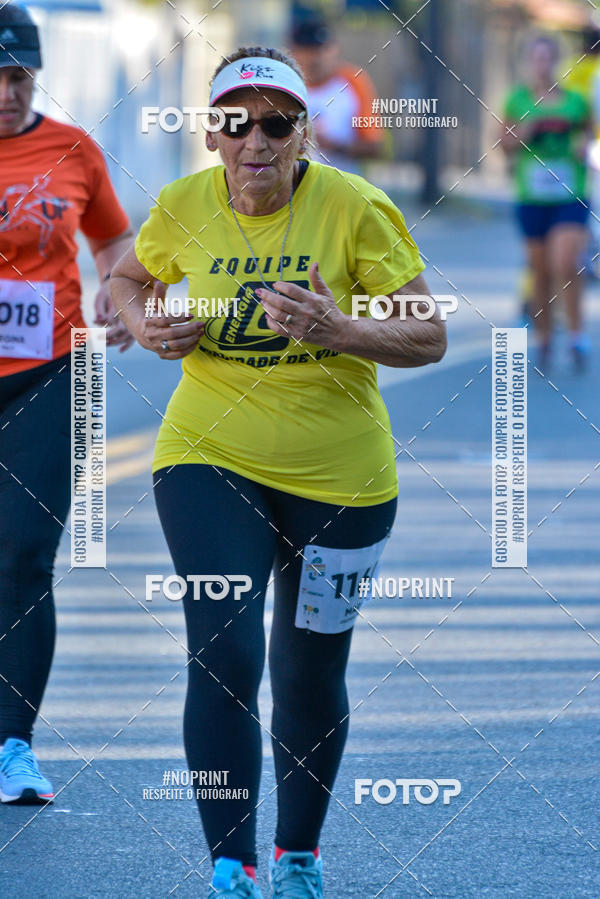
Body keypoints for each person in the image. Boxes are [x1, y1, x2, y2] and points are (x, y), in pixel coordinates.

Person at [111, 46, 446, 898]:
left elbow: (427, 334)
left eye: (277, 122)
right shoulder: (184, 205)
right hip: (208, 450)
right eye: (237, 122)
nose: (255, 140)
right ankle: (233, 861)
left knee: (308, 670)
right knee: (223, 650)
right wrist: (145, 322)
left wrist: (342, 330)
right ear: (214, 132)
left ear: (305, 133)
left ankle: (298, 853)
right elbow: (127, 276)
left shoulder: (355, 209)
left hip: (342, 475)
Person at [0, 1, 133, 803]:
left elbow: (115, 239)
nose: (7, 92)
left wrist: (118, 290)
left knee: (20, 557)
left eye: (19, 76)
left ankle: (12, 744)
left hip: (53, 371)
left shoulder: (73, 150)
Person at [500, 35, 592, 371]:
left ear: (557, 62)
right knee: (539, 271)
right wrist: (528, 130)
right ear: (529, 62)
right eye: (536, 59)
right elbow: (504, 144)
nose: (542, 66)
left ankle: (577, 335)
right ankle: (544, 337)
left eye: (548, 59)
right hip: (532, 196)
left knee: (565, 263)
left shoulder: (576, 102)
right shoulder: (517, 100)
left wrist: (585, 147)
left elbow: (589, 137)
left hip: (570, 193)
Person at [289, 10, 383, 174]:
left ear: (335, 50)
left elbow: (374, 147)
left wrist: (331, 144)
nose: (314, 58)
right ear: (294, 52)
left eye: (321, 49)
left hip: (343, 187)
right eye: (307, 50)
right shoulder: (285, 85)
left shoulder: (353, 82)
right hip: (293, 190)